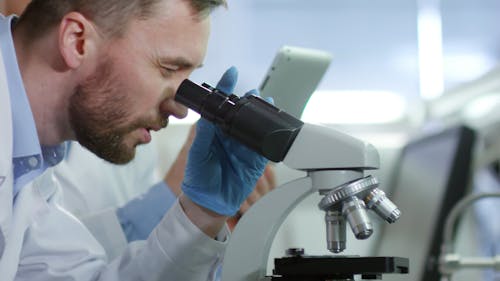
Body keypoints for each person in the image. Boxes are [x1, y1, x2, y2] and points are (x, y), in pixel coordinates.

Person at [0, 0, 270, 280]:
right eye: (167, 69)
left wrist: (201, 214)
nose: (179, 109)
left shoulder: (29, 170)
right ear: (77, 41)